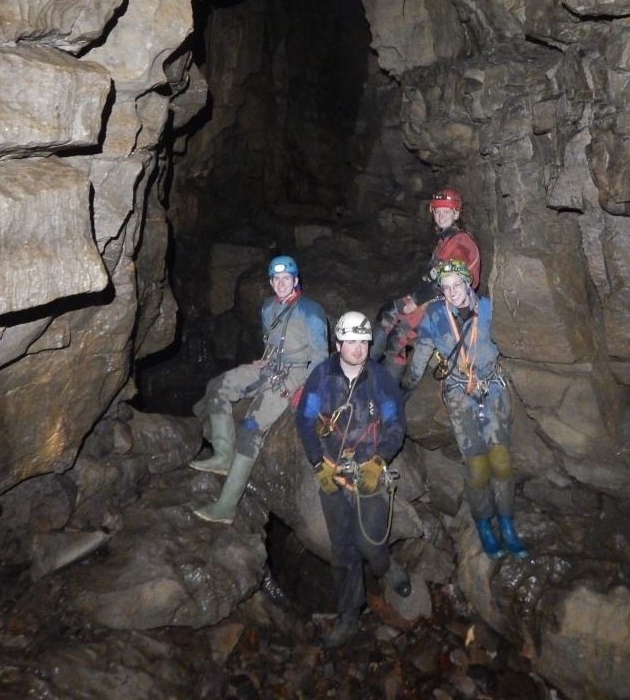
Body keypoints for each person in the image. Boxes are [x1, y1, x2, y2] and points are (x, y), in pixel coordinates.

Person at [295, 311, 410, 648]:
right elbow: (305, 421)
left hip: (368, 470)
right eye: (351, 342)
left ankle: (385, 567)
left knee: (370, 542)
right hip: (333, 472)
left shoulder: (379, 379)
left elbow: (395, 424)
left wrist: (379, 460)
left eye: (363, 342)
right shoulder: (321, 376)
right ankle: (348, 617)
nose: (358, 349)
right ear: (338, 344)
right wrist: (318, 463)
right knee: (343, 549)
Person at [400, 259, 528, 561]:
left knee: (501, 461)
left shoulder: (488, 308)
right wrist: (408, 385)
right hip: (459, 391)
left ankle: (506, 522)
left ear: (468, 283)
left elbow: (512, 338)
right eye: (446, 288)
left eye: (457, 285)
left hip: (492, 387)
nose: (452, 292)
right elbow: (423, 349)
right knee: (477, 465)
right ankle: (484, 523)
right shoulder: (435, 314)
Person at [190, 255, 329, 524]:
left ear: (296, 281)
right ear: (271, 282)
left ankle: (227, 506)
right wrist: (263, 361)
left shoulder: (311, 311)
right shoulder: (268, 307)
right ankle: (223, 455)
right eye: (276, 279)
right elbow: (271, 341)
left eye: (286, 278)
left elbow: (320, 357)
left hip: (296, 373)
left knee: (250, 428)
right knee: (217, 386)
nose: (281, 283)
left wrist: (307, 388)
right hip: (270, 366)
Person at [370, 188, 480, 380]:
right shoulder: (448, 238)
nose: (441, 216)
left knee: (398, 336)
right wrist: (413, 297)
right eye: (437, 211)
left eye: (446, 211)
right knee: (387, 311)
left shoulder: (460, 243)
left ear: (456, 214)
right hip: (437, 295)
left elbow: (446, 283)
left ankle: (388, 388)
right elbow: (432, 276)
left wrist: (416, 301)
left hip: (450, 303)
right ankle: (363, 365)